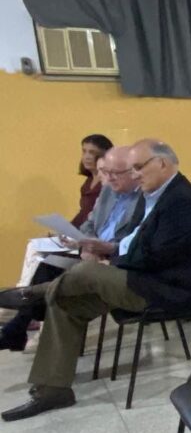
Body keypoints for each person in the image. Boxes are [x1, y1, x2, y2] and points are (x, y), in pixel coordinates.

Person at [1, 140, 191, 422]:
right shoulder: (156, 195)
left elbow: (158, 257)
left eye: (138, 167)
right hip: (144, 278)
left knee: (86, 272)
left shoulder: (181, 201)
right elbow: (137, 245)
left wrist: (110, 261)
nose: (135, 174)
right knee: (67, 302)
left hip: (167, 289)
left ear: (162, 164)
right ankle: (53, 390)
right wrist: (111, 253)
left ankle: (32, 294)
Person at [0, 146, 143, 351]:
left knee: (62, 279)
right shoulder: (108, 193)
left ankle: (24, 309)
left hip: (113, 258)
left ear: (133, 172)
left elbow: (135, 240)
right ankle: (22, 319)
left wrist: (102, 249)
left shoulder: (143, 199)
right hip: (90, 251)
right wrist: (86, 243)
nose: (109, 178)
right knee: (47, 263)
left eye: (114, 173)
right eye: (105, 172)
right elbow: (89, 223)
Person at [73, 134, 113, 227]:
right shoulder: (88, 181)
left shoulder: (109, 182)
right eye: (84, 151)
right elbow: (83, 213)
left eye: (92, 152)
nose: (86, 157)